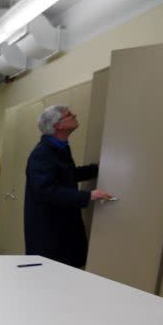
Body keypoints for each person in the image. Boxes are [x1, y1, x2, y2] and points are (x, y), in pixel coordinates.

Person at [24, 105, 113, 268]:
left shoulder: (59, 147)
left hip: (63, 226)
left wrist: (100, 168)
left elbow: (67, 174)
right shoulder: (42, 153)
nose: (75, 115)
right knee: (49, 277)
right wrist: (88, 196)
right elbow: (45, 190)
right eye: (69, 115)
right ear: (58, 125)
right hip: (49, 229)